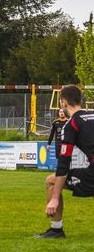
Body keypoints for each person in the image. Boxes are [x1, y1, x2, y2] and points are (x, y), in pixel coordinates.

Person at [38, 85, 94, 238]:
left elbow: (64, 162)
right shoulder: (92, 116)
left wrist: (55, 199)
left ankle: (56, 230)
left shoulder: (71, 124)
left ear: (63, 102)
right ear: (80, 101)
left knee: (51, 181)